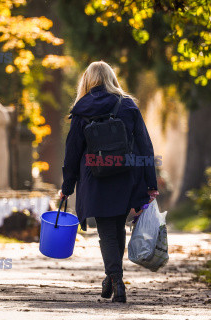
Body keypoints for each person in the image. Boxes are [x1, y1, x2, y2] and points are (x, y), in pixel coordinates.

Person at [60, 61, 159, 303]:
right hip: (126, 175)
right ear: (112, 78)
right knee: (117, 227)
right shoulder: (127, 105)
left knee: (107, 232)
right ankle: (113, 277)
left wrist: (67, 186)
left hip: (96, 178)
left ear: (87, 80)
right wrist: (150, 182)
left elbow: (72, 151)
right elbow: (145, 144)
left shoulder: (81, 109)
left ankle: (115, 279)